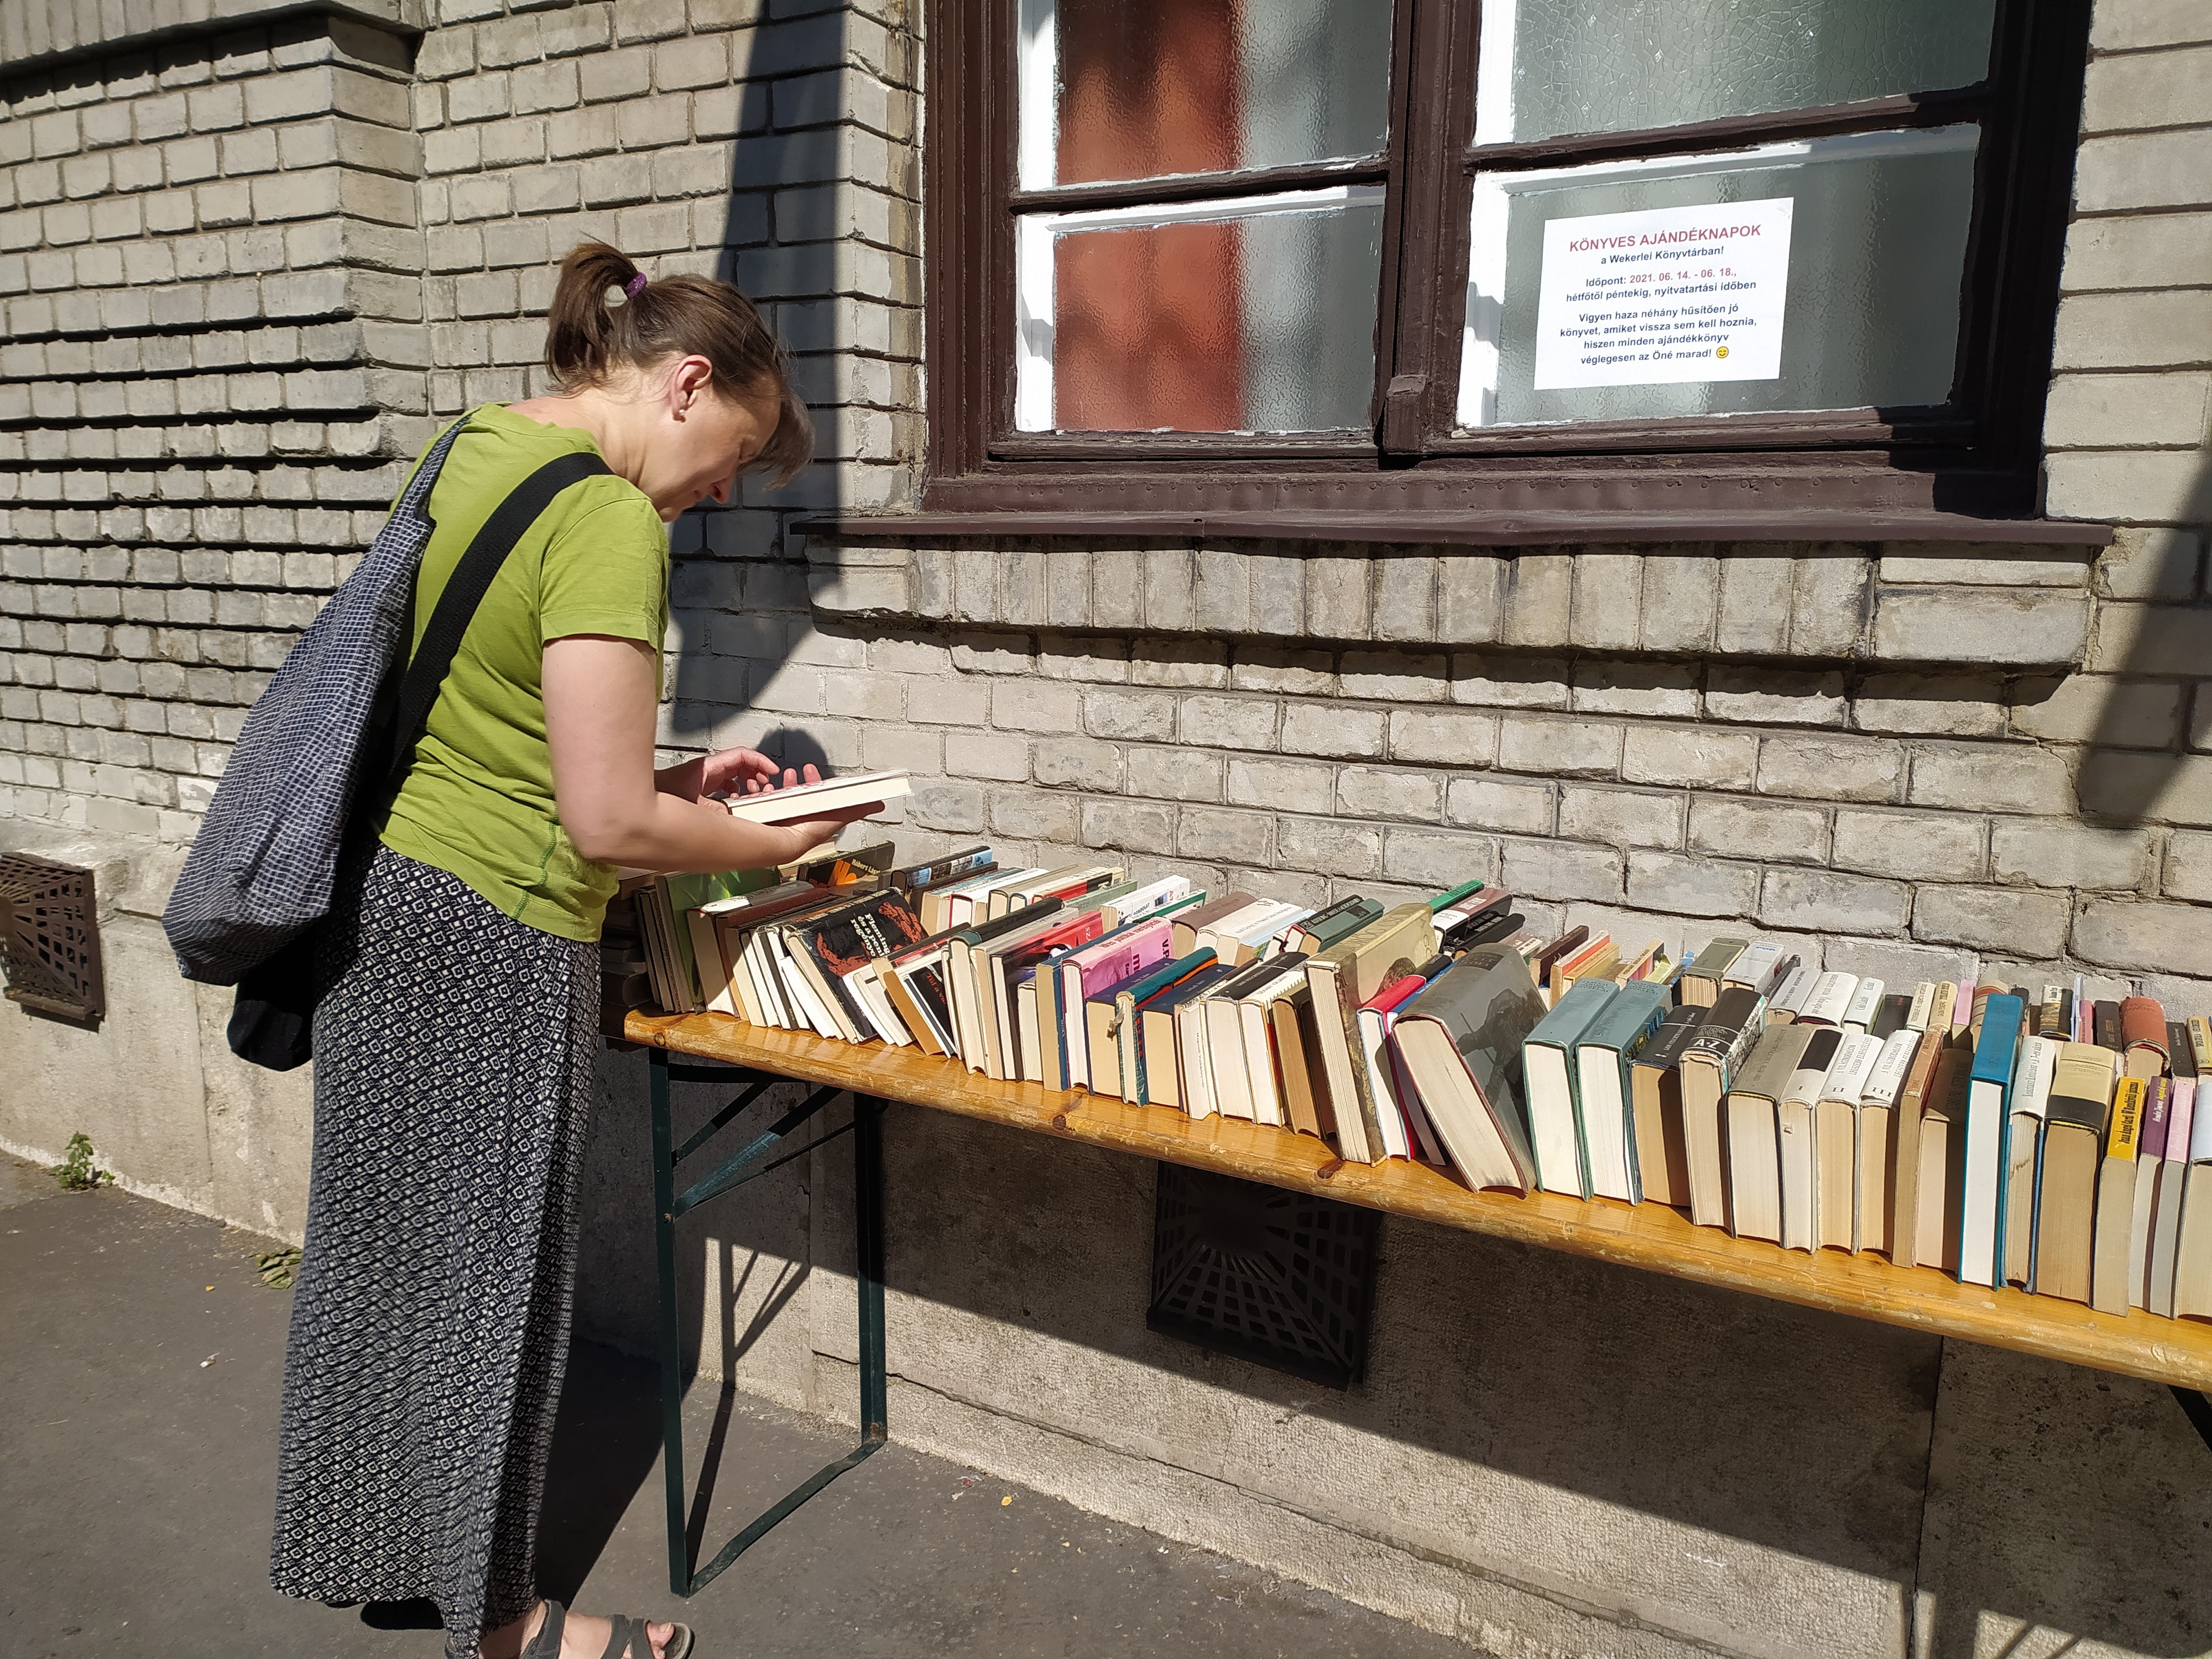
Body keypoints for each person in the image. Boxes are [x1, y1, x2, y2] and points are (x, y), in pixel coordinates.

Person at [268, 241, 878, 1659]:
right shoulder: (606, 517)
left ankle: (404, 1560)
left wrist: (681, 782)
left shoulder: (471, 448)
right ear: (685, 384)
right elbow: (601, 823)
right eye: (733, 457)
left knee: (389, 1271)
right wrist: (776, 844)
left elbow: (497, 728)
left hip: (384, 911)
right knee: (493, 1291)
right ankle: (510, 1631)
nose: (720, 492)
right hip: (490, 934)